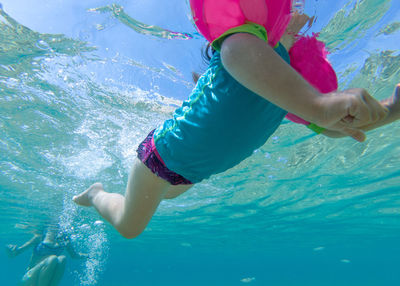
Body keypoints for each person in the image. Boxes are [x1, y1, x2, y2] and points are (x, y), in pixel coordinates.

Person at [73, 1, 399, 240]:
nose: (296, 7)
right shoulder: (243, 43)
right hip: (160, 159)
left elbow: (334, 127)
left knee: (162, 197)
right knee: (130, 227)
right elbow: (236, 50)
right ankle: (96, 194)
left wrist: (390, 110)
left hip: (189, 176)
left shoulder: (292, 87)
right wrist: (319, 104)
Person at [6, 226, 86, 286]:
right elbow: (17, 252)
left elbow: (75, 255)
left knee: (62, 259)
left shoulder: (64, 240)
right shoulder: (40, 236)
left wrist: (89, 256)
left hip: (45, 281)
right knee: (52, 259)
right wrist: (11, 249)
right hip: (30, 278)